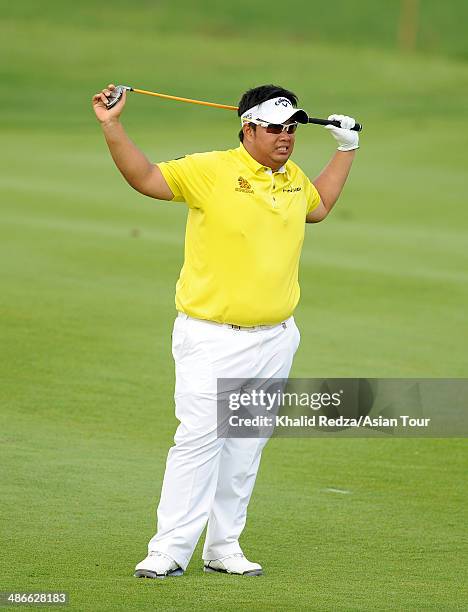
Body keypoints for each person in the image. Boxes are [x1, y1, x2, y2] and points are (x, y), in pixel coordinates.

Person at [92, 83, 359, 578]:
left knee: (246, 443)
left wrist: (346, 150)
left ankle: (223, 546)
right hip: (212, 335)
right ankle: (168, 549)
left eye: (292, 128)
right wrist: (112, 126)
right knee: (198, 439)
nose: (286, 137)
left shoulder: (292, 177)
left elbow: (317, 207)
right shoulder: (210, 169)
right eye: (275, 128)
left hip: (276, 337)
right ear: (248, 128)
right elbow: (146, 178)